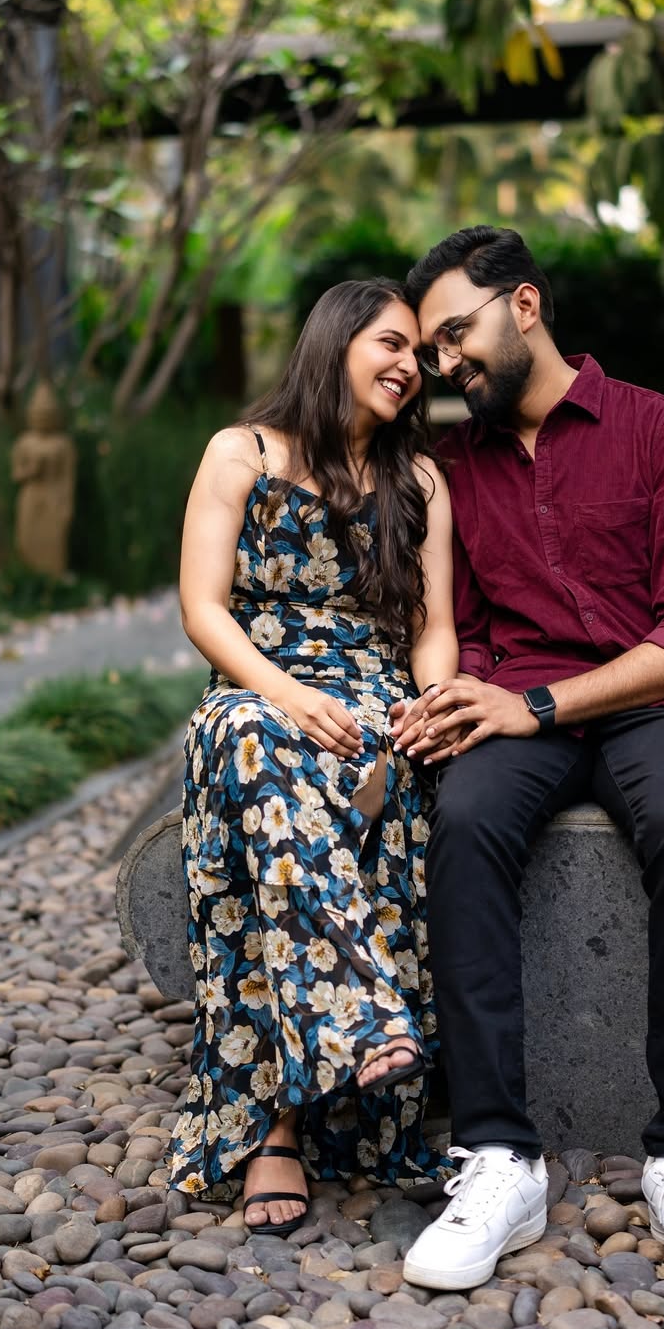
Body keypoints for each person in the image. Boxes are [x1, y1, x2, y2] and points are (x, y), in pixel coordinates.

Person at [391, 227, 664, 1290]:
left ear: (525, 306)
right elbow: (456, 625)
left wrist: (536, 705)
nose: (445, 363)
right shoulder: (453, 467)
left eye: (456, 334)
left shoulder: (658, 428)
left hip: (658, 702)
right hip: (518, 702)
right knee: (463, 822)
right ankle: (499, 1158)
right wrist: (460, 696)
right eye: (432, 348)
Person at [165, 278, 459, 1234]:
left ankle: (277, 1128)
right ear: (335, 342)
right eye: (390, 343)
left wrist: (424, 709)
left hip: (372, 698)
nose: (409, 366)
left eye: (417, 353)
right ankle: (359, 1024)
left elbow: (433, 627)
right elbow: (203, 608)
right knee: (252, 741)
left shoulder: (419, 484)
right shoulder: (241, 453)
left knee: (335, 778)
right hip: (258, 686)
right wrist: (288, 695)